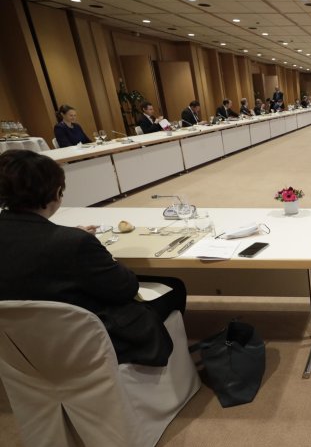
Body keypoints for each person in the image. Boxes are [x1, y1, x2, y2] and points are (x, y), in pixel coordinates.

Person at [0, 150, 189, 366]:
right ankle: (171, 367)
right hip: (85, 339)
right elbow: (126, 288)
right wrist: (87, 243)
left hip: (17, 343)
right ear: (56, 192)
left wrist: (70, 235)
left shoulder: (67, 239)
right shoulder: (73, 243)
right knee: (174, 287)